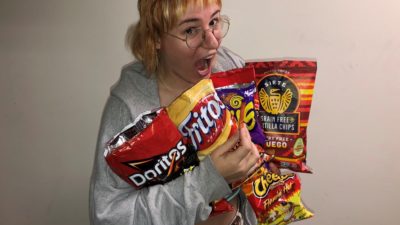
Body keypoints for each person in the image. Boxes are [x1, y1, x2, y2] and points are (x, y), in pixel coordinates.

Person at [89, 0, 262, 224]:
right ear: (156, 38)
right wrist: (206, 180)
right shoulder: (130, 106)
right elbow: (108, 217)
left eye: (214, 21)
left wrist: (267, 162)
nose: (212, 42)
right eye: (190, 30)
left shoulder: (229, 66)